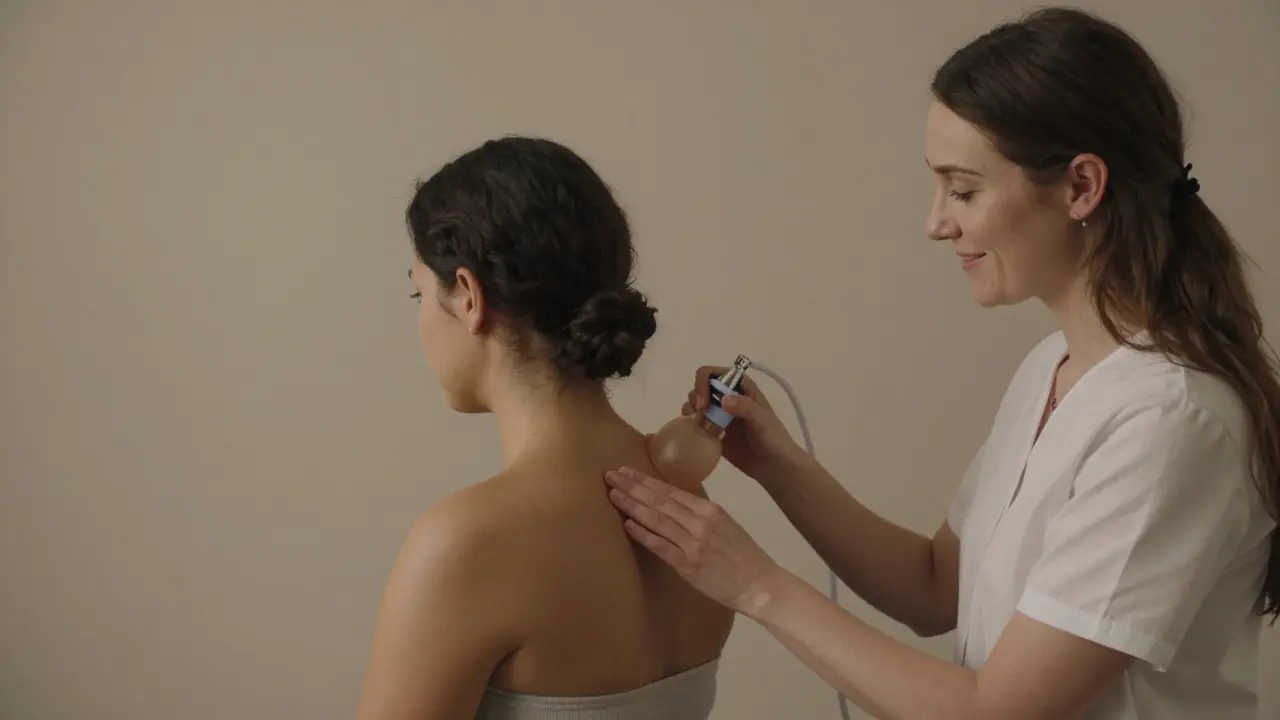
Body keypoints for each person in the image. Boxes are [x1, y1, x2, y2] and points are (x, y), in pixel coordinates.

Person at [604, 7, 1280, 719]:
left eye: (962, 189)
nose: (936, 223)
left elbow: (997, 711)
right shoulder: (1053, 369)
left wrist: (755, 585)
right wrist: (778, 465)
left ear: (1081, 187)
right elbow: (934, 587)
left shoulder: (1173, 423)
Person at [354, 136, 734, 719]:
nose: (420, 317)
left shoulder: (467, 544)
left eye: (419, 292)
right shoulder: (686, 507)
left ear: (469, 297)